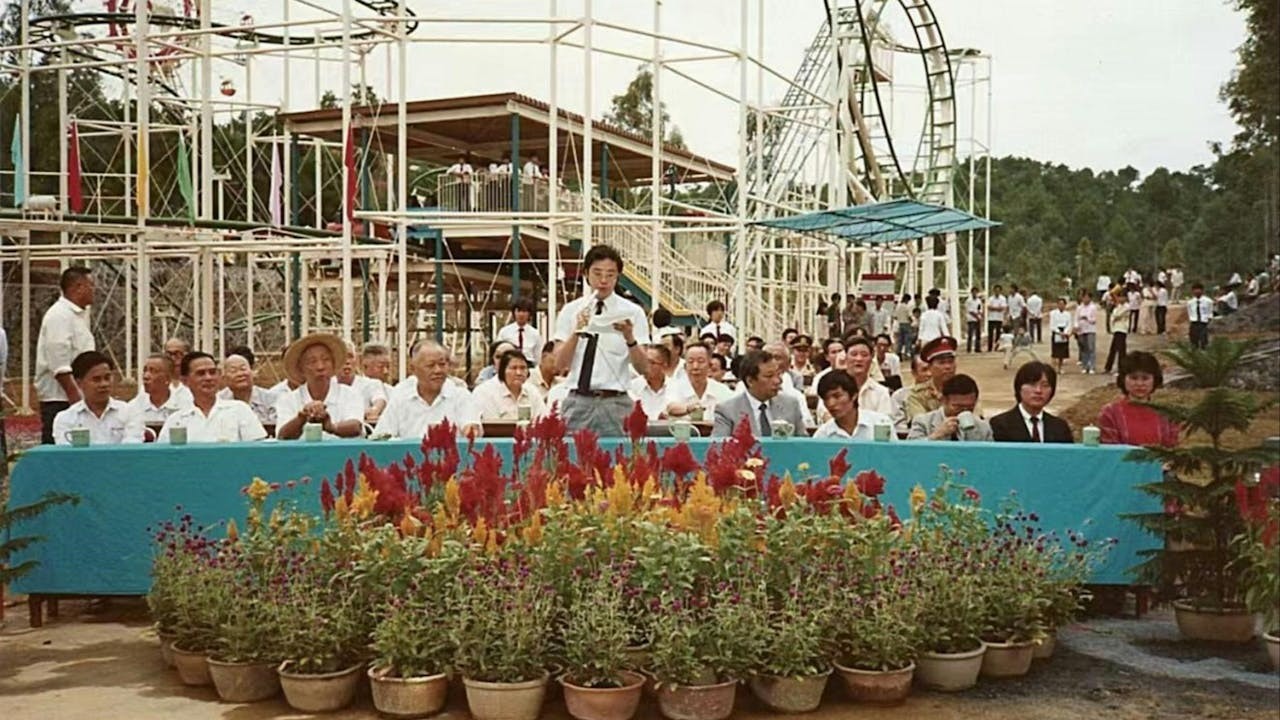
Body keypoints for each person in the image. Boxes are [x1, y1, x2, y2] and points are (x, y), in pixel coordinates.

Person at [553, 245, 651, 437]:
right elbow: (559, 365)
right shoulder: (571, 310)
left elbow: (644, 368)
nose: (603, 281)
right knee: (572, 461)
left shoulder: (632, 312)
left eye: (610, 274)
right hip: (578, 400)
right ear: (586, 274)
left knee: (620, 461)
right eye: (597, 273)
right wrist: (577, 331)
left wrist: (629, 337)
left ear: (618, 277)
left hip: (616, 402)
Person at [35, 266, 96, 444]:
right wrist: (77, 401)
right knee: (59, 448)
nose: (94, 291)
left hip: (74, 397)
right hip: (61, 400)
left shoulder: (75, 316)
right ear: (77, 287)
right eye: (91, 285)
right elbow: (60, 365)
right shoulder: (59, 316)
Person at [375, 342, 481, 438]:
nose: (438, 370)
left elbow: (471, 428)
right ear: (413, 369)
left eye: (442, 364)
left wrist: (471, 430)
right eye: (430, 365)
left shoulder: (461, 396)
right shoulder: (401, 398)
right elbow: (382, 436)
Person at [158, 352, 267, 443]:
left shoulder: (240, 410)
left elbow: (257, 452)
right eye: (201, 373)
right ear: (185, 381)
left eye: (212, 372)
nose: (208, 378)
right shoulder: (176, 420)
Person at [274, 334, 365, 440]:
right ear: (301, 368)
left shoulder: (350, 394)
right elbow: (282, 436)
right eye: (312, 362)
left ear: (333, 364)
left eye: (326, 360)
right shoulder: (288, 399)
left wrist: (331, 427)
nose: (320, 367)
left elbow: (356, 427)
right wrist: (302, 418)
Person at [52, 351, 144, 445]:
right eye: (96, 379)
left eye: (107, 378)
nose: (104, 384)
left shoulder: (130, 413)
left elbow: (131, 451)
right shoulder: (65, 419)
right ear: (79, 383)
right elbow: (66, 455)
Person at [711, 350, 806, 437]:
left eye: (778, 374)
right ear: (750, 381)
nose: (777, 381)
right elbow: (717, 449)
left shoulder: (791, 405)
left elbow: (804, 445)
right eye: (769, 376)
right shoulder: (727, 411)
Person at [1097, 351, 1179, 447]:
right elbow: (1110, 451)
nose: (1140, 384)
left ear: (1154, 380)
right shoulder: (1110, 413)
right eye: (1134, 378)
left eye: (1145, 378)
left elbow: (1171, 451)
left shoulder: (1167, 414)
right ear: (1123, 379)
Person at [990, 362, 1073, 443]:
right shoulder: (999, 425)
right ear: (1019, 387)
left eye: (1045, 385)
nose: (1038, 390)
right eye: (1032, 384)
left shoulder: (1060, 427)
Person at [907, 373, 993, 442]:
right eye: (957, 407)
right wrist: (937, 435)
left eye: (969, 407)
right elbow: (910, 452)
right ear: (944, 400)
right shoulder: (923, 422)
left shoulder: (983, 427)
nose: (963, 411)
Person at [812, 370, 894, 441]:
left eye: (837, 396)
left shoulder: (880, 424)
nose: (831, 403)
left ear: (854, 395)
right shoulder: (822, 435)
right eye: (826, 399)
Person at [904, 336, 966, 423]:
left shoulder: (965, 388)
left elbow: (977, 418)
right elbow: (920, 424)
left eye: (950, 362)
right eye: (942, 363)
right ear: (930, 367)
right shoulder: (918, 395)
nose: (948, 367)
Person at [473, 349, 547, 421]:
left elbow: (543, 420)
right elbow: (491, 426)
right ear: (502, 371)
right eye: (513, 368)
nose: (519, 373)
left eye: (523, 368)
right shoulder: (484, 392)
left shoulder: (532, 391)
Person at [665, 344, 733, 418]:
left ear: (709, 365)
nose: (695, 367)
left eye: (701, 361)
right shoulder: (673, 387)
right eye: (690, 362)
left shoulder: (722, 390)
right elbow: (670, 407)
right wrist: (689, 409)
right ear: (685, 366)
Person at [126, 354, 189, 426]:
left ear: (168, 378)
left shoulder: (185, 407)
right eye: (145, 371)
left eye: (153, 371)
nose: (146, 376)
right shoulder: (132, 408)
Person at [218, 353, 278, 428]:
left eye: (243, 369)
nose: (240, 374)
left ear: (252, 372)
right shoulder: (218, 401)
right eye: (233, 371)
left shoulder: (271, 398)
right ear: (224, 378)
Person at [627, 344, 673, 421]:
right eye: (644, 362)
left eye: (651, 362)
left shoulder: (675, 387)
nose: (646, 366)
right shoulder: (632, 387)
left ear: (665, 365)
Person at [353, 343, 394, 423]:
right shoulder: (355, 389)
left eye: (388, 367)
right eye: (380, 367)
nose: (386, 371)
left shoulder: (393, 391)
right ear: (365, 366)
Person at [891, 353, 929, 436]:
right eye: (924, 370)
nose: (929, 374)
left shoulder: (944, 395)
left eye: (931, 369)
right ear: (914, 373)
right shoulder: (899, 396)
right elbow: (899, 428)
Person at [497, 297, 542, 365]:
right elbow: (498, 352)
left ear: (529, 313)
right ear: (514, 312)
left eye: (524, 311)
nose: (521, 314)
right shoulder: (504, 332)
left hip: (529, 365)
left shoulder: (535, 334)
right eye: (518, 311)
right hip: (509, 365)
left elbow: (538, 356)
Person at [1074, 291, 1098, 374]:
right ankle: (1085, 366)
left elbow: (1094, 319)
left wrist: (1087, 318)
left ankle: (1092, 366)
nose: (1085, 299)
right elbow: (1076, 318)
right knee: (1083, 348)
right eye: (1084, 297)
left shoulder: (1093, 307)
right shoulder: (1079, 307)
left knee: (1091, 348)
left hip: (1090, 329)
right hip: (1081, 330)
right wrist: (1076, 327)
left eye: (1087, 297)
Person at [1102, 302, 1129, 375]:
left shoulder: (1127, 306)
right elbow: (1112, 317)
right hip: (1116, 329)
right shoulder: (1117, 307)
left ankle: (1121, 369)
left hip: (1122, 329)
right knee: (1113, 349)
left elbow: (1117, 315)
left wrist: (1116, 311)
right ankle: (1108, 368)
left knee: (1121, 351)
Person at [1048, 296, 1072, 372]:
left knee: (1062, 353)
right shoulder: (1053, 313)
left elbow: (1069, 324)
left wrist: (1065, 332)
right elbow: (1052, 325)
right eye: (1059, 304)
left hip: (1064, 332)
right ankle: (1053, 368)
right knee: (1055, 352)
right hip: (1056, 332)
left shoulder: (1068, 314)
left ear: (1065, 305)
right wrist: (1059, 332)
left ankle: (1060, 367)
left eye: (1062, 304)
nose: (1061, 305)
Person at [1187, 283, 1213, 349]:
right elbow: (1190, 312)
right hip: (1194, 322)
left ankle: (1203, 351)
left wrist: (1208, 320)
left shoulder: (1208, 301)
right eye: (1195, 290)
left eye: (1198, 289)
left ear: (1202, 290)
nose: (1197, 291)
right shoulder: (1190, 302)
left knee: (1203, 339)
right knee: (1193, 339)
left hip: (1203, 322)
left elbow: (1210, 312)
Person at [985, 285, 1007, 353]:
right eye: (996, 290)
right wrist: (998, 308)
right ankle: (989, 348)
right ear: (994, 291)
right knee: (990, 334)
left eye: (998, 290)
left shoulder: (1003, 298)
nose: (997, 292)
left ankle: (997, 348)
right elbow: (988, 307)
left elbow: (1003, 308)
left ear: (1000, 291)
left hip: (999, 318)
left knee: (998, 334)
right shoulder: (990, 298)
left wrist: (994, 308)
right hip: (991, 318)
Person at [965, 287, 984, 353]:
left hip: (978, 319)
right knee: (970, 334)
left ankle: (977, 348)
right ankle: (969, 348)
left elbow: (980, 309)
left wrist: (980, 315)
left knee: (978, 334)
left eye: (976, 292)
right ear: (971, 292)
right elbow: (970, 311)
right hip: (971, 319)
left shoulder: (979, 300)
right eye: (974, 292)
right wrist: (976, 316)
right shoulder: (968, 301)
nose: (975, 293)